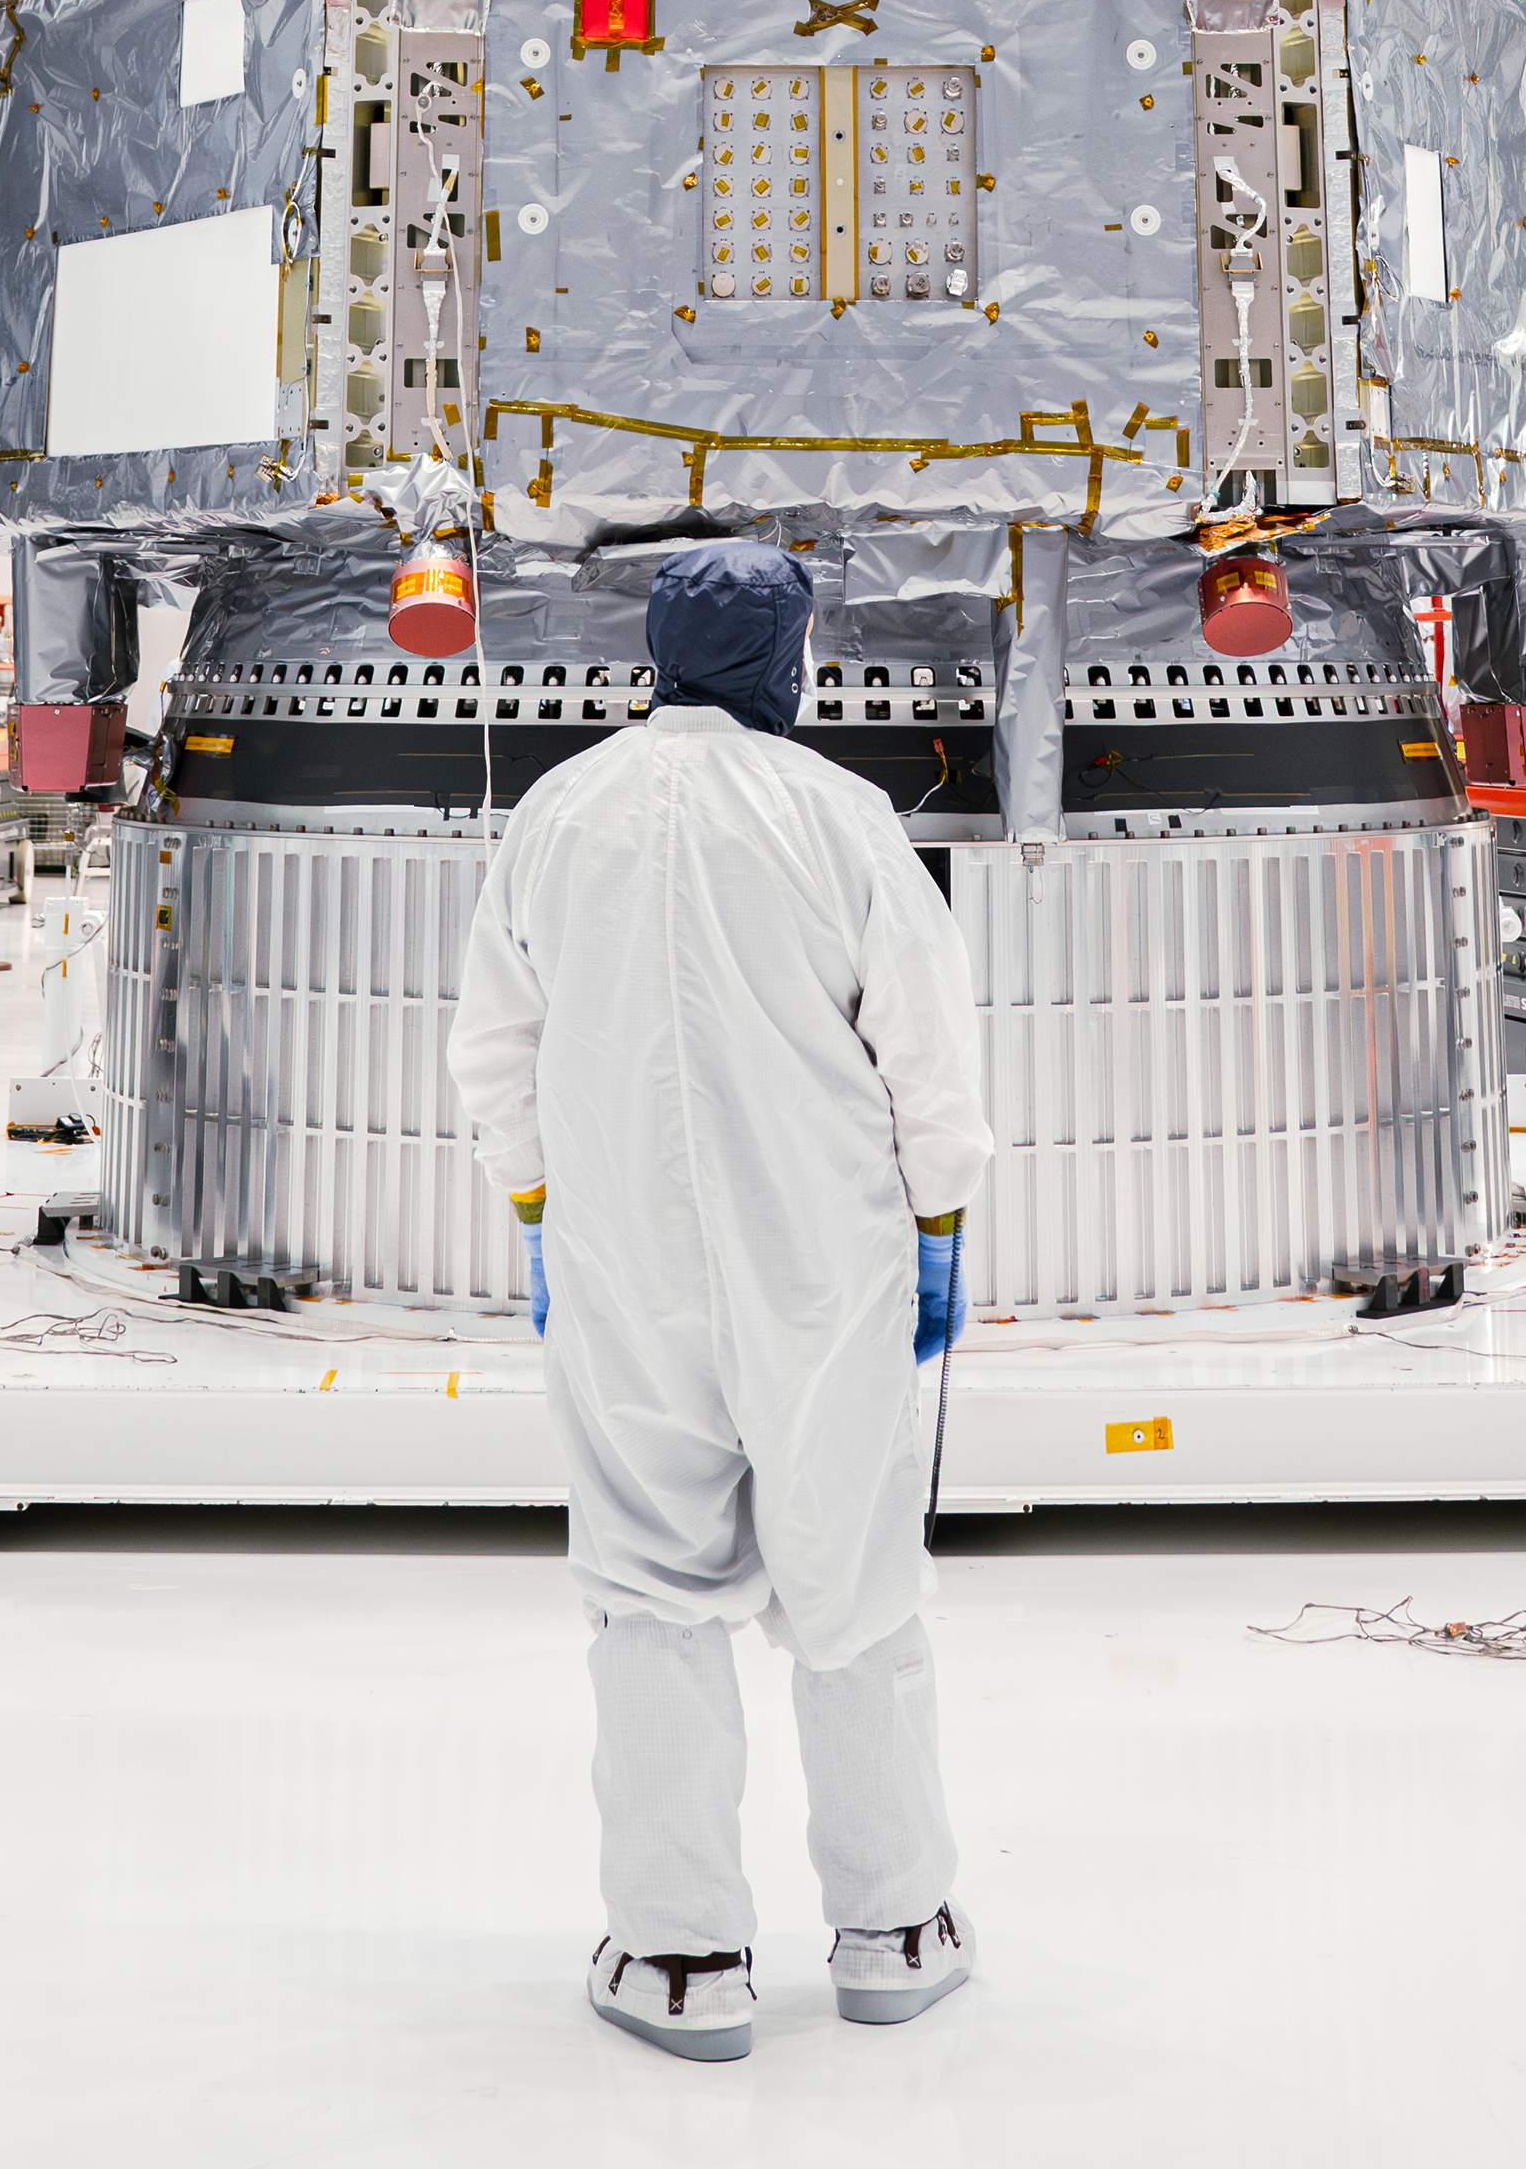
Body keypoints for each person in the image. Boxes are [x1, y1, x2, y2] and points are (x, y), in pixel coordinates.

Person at [449, 539, 991, 2062]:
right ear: (789, 658)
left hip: (624, 1265)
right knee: (858, 1585)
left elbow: (494, 1046)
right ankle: (893, 1932)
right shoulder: (840, 816)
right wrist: (939, 1220)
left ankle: (681, 1958)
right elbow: (927, 1051)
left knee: (650, 1589)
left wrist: (546, 1211)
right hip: (827, 1265)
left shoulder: (562, 810)